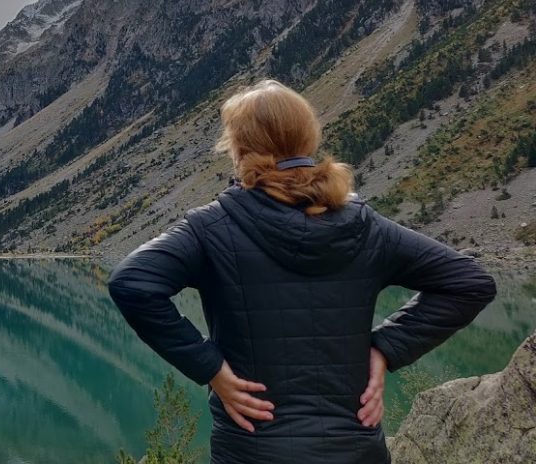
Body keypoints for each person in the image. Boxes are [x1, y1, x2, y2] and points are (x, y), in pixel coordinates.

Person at [108, 79, 496, 464]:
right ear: (307, 140)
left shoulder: (212, 228)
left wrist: (211, 369)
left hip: (253, 449)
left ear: (241, 149)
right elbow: (469, 284)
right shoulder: (365, 226)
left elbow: (132, 283)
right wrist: (384, 349)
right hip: (356, 450)